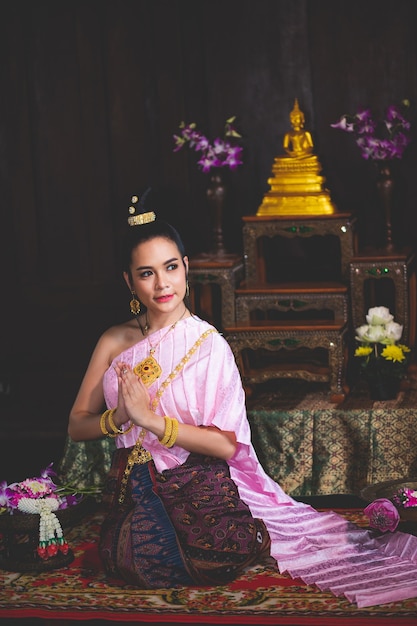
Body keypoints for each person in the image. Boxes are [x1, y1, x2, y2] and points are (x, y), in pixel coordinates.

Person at [68, 191, 417, 607]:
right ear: (129, 280)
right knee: (125, 557)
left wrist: (150, 421)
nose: (162, 284)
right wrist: (120, 415)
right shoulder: (114, 339)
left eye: (171, 267)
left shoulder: (207, 345)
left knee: (149, 558)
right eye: (146, 273)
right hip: (133, 483)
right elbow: (77, 425)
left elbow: (226, 444)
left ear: (186, 268)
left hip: (194, 483)